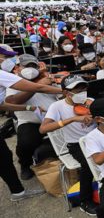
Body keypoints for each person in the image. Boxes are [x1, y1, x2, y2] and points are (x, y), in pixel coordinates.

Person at [0, 46, 63, 201]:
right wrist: (41, 86)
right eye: (25, 66)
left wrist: (57, 86)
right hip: (30, 121)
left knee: (4, 156)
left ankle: (17, 192)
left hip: (52, 118)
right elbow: (12, 101)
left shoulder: (47, 77)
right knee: (26, 142)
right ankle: (25, 164)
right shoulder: (11, 80)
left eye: (33, 66)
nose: (30, 69)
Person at [40, 75, 98, 213]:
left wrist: (96, 114)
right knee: (88, 163)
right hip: (77, 144)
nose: (82, 93)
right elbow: (43, 128)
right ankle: (85, 200)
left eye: (84, 89)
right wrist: (72, 119)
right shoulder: (57, 106)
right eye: (78, 91)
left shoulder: (90, 102)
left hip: (97, 139)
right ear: (66, 92)